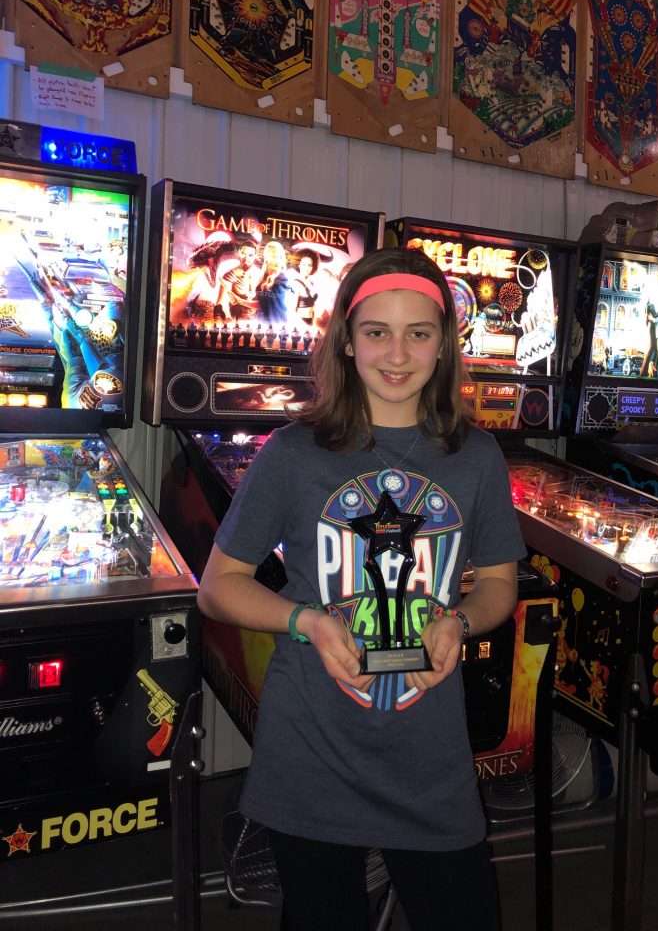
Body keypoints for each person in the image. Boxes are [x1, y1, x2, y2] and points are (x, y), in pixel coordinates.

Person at [198, 247, 524, 931]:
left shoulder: (477, 457)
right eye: (377, 332)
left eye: (418, 333)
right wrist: (309, 622)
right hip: (311, 747)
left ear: (444, 344)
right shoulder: (293, 453)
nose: (397, 354)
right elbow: (218, 587)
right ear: (347, 340)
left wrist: (459, 622)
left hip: (430, 754)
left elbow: (498, 585)